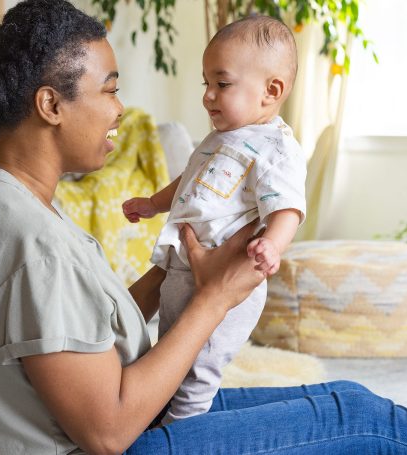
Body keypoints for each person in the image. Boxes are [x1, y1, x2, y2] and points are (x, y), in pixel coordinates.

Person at [0, 1, 407, 454]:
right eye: (110, 88)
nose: (120, 108)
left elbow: (85, 321)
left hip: (126, 421)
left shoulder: (11, 200)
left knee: (346, 398)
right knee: (359, 423)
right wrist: (215, 298)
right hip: (118, 440)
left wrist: (183, 273)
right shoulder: (27, 242)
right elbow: (108, 431)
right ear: (50, 105)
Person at [122, 16, 305, 424]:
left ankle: (185, 431)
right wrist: (153, 204)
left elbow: (287, 208)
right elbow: (189, 181)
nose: (207, 96)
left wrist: (272, 245)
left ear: (271, 91)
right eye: (205, 84)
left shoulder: (275, 148)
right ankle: (156, 416)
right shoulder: (217, 139)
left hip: (228, 283)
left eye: (221, 84)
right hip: (182, 272)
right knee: (168, 352)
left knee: (198, 370)